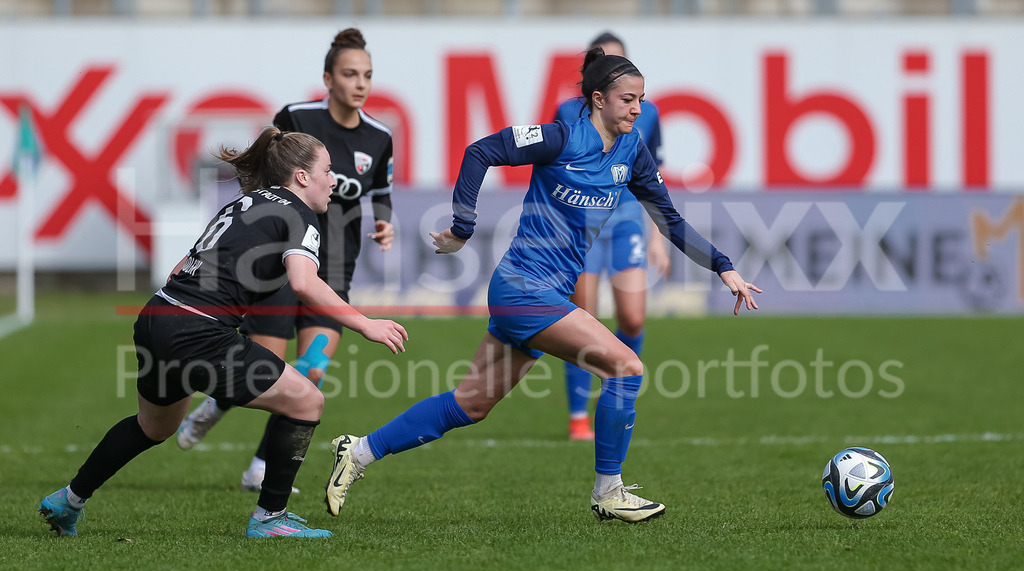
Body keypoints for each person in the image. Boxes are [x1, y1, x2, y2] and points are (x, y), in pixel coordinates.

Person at [322, 48, 760, 524]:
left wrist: (722, 266)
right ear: (598, 100)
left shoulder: (632, 152)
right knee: (626, 368)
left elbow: (669, 219)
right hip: (523, 289)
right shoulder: (559, 137)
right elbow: (480, 152)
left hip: (538, 294)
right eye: (628, 100)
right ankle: (609, 492)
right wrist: (463, 228)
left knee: (470, 404)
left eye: (641, 100)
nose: (638, 109)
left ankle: (359, 451)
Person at [37, 127, 408, 539]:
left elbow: (183, 265)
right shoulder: (299, 213)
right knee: (307, 401)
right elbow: (304, 282)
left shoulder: (244, 203)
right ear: (302, 177)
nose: (334, 179)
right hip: (198, 330)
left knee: (154, 426)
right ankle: (270, 519)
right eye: (327, 169)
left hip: (157, 315)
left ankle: (67, 501)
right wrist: (366, 324)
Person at [175, 28, 397, 494]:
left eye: (368, 75)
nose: (360, 83)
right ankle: (216, 406)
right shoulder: (297, 117)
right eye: (350, 74)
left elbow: (381, 193)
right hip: (276, 266)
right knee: (265, 370)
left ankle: (259, 467)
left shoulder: (380, 137)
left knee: (312, 370)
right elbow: (263, 175)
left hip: (333, 270)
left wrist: (385, 223)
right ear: (328, 78)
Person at [554, 31, 670, 441]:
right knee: (582, 320)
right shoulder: (567, 112)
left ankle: (621, 399)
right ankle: (577, 416)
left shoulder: (647, 113)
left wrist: (657, 235)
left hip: (624, 224)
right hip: (583, 229)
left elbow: (653, 176)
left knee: (633, 317)